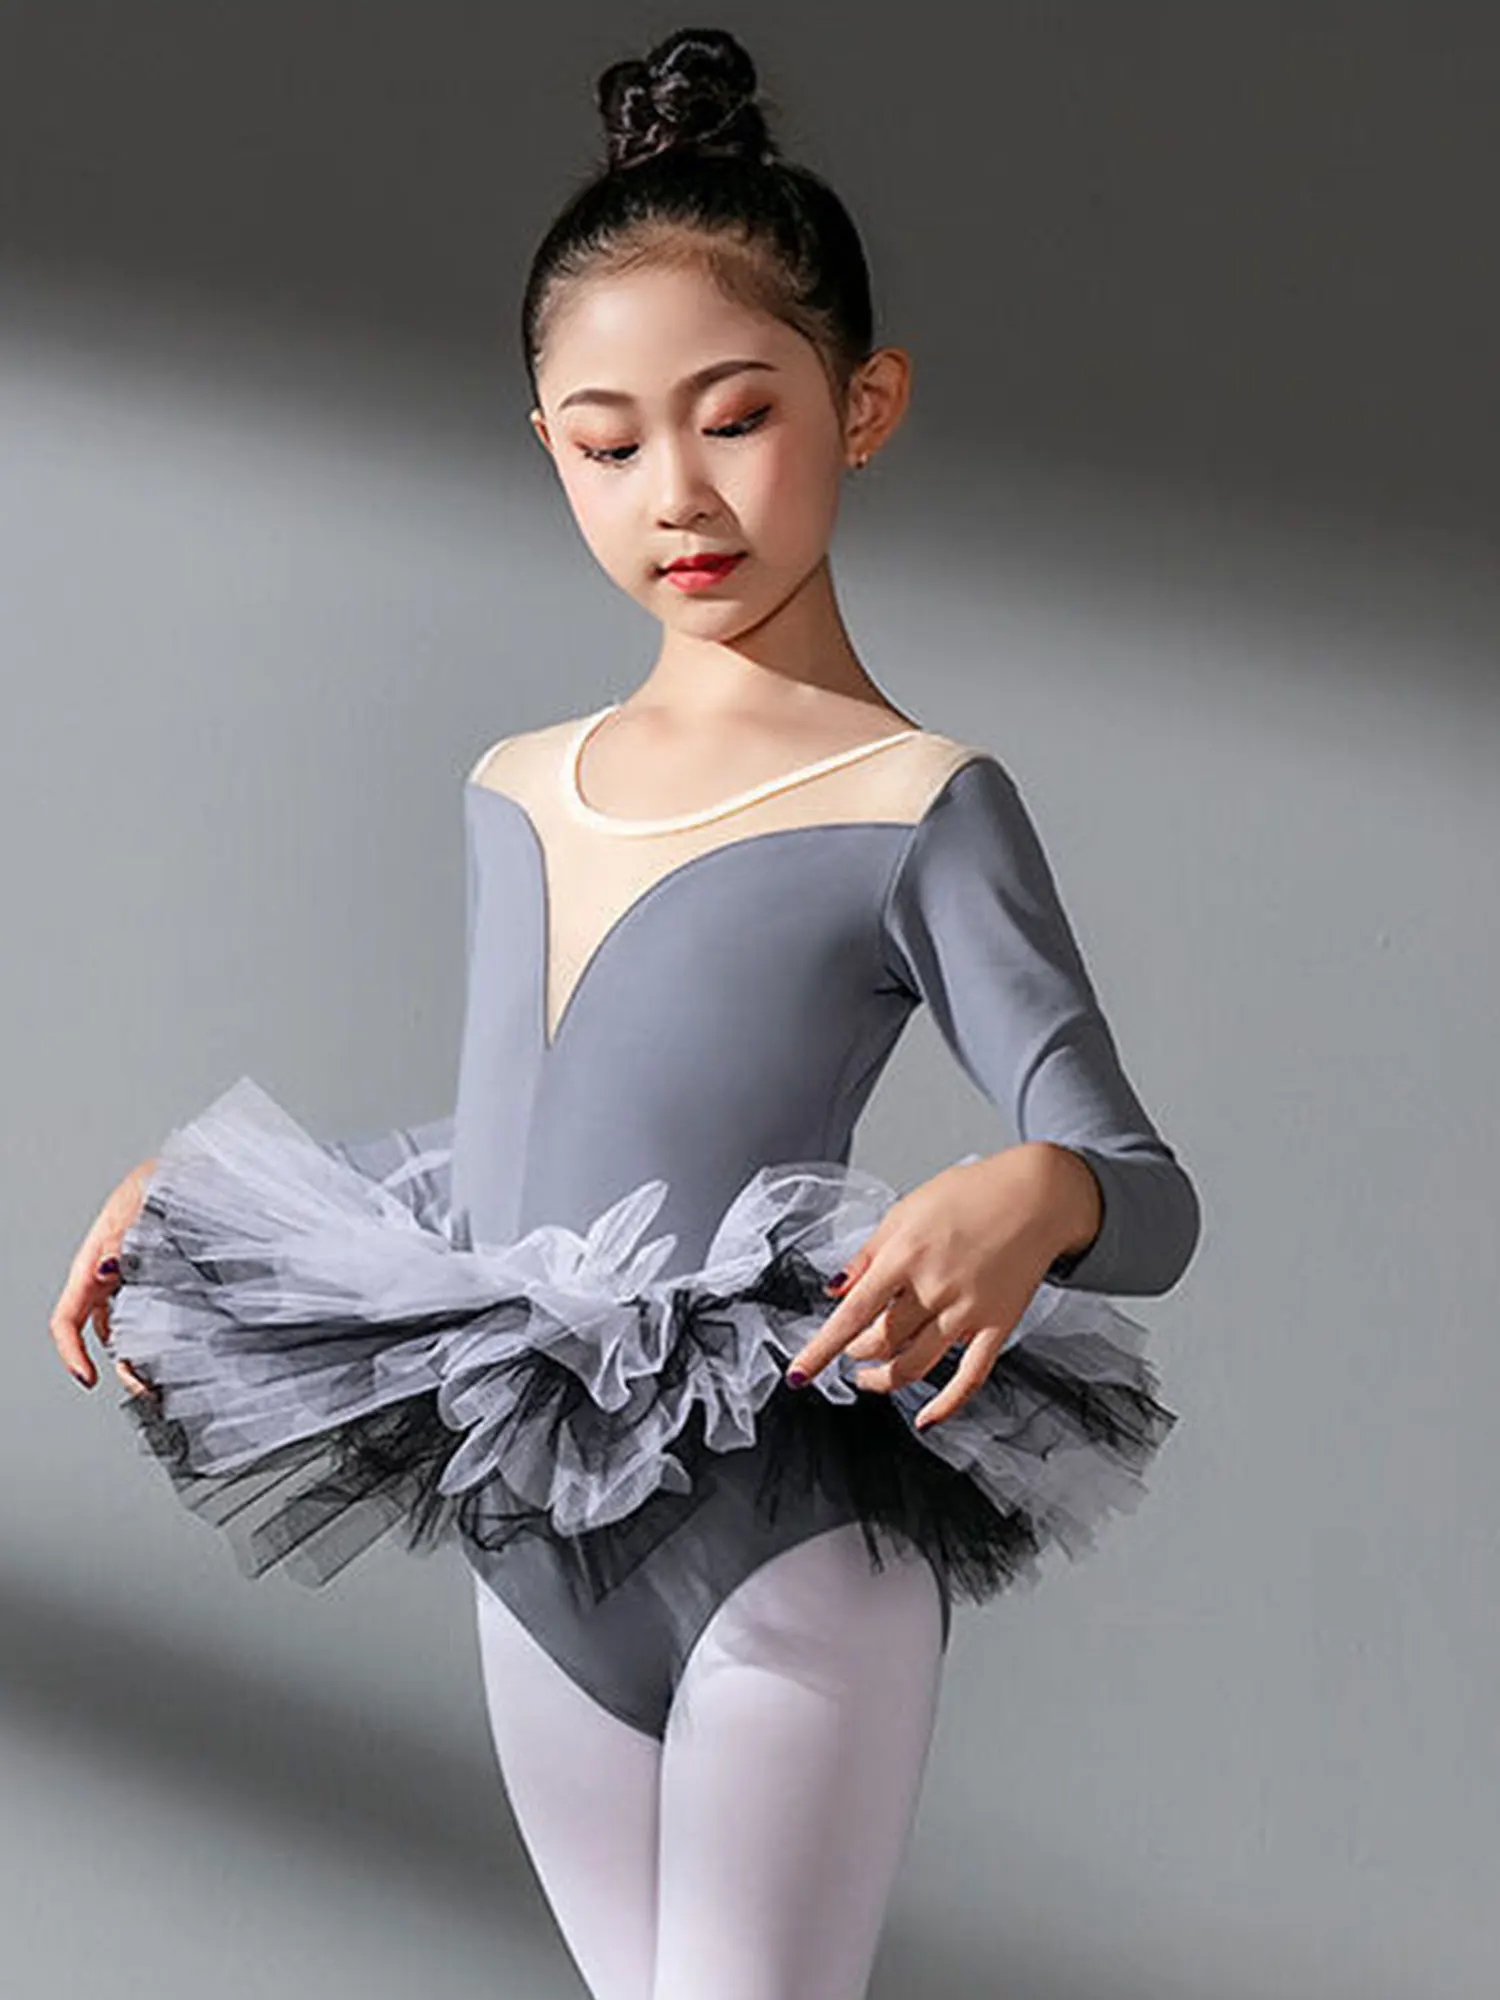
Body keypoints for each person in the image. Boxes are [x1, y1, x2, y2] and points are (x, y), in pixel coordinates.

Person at [47, 25, 1201, 2000]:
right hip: (534, 1537)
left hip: (787, 1532)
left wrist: (1040, 1190)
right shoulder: (517, 790)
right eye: (608, 443)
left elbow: (1142, 1186)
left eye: (736, 418)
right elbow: (527, 1157)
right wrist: (227, 1202)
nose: (678, 492)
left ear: (864, 403)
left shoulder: (918, 804)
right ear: (549, 447)